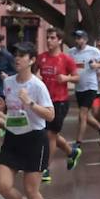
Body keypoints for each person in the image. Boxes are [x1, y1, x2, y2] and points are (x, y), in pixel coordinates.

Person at [0, 43, 55, 199]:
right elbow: (10, 114)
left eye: (22, 56)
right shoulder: (9, 82)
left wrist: (30, 102)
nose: (17, 59)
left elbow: (50, 115)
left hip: (34, 139)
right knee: (2, 185)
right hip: (12, 138)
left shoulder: (37, 85)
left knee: (31, 189)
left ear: (31, 60)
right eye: (16, 55)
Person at [37, 28, 80, 183]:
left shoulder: (66, 59)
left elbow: (77, 77)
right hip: (43, 101)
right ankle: (71, 152)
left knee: (50, 135)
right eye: (47, 37)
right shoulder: (41, 58)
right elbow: (33, 73)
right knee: (48, 134)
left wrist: (66, 78)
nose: (49, 40)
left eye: (53, 38)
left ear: (60, 40)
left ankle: (46, 169)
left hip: (59, 101)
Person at [69, 30, 100, 144]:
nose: (77, 40)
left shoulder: (93, 51)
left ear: (85, 39)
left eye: (79, 38)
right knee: (87, 116)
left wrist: (96, 65)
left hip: (91, 86)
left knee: (82, 115)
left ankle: (78, 143)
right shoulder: (71, 52)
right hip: (79, 87)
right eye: (76, 38)